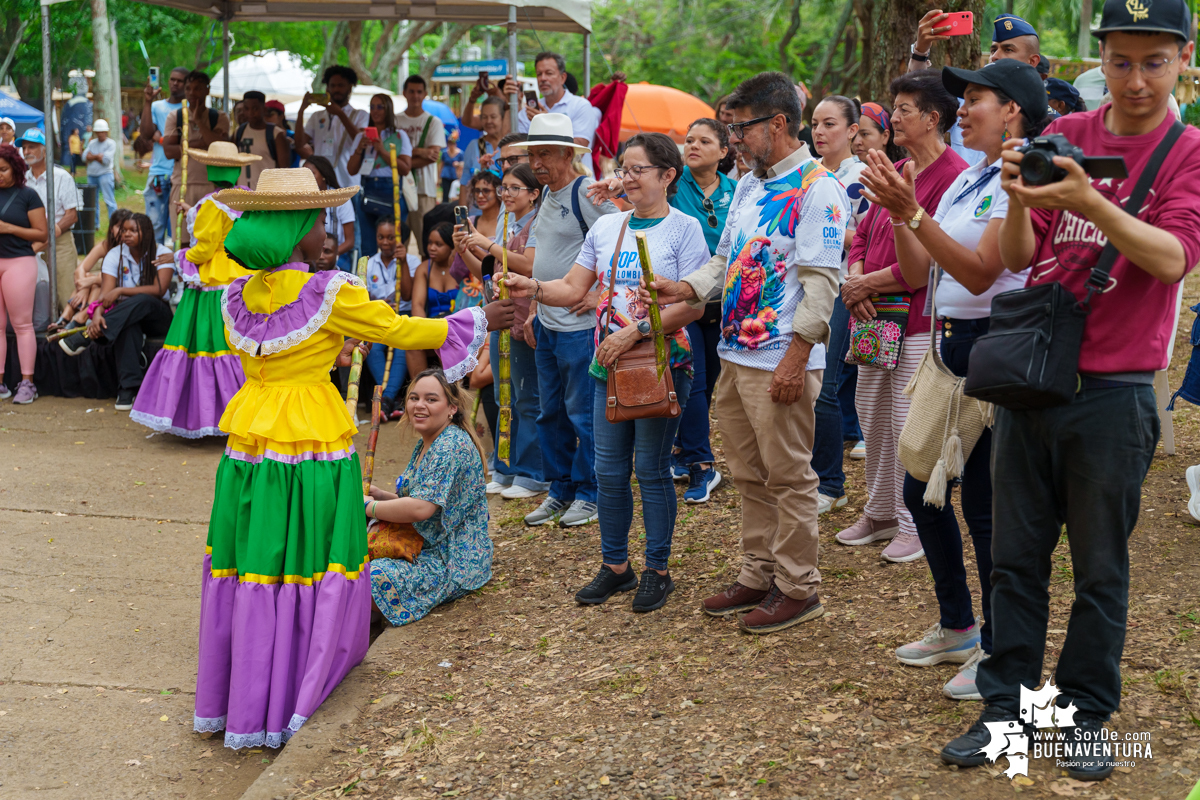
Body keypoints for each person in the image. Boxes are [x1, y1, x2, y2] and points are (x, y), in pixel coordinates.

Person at [941, 0, 1200, 779]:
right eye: (1121, 60)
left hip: (1117, 392)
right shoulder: (1070, 133)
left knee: (1099, 566)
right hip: (1035, 383)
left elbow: (1171, 259)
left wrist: (1089, 200)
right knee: (1015, 560)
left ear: (1182, 60)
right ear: (1102, 60)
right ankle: (1006, 713)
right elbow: (1021, 253)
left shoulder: (1187, 152)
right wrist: (1021, 198)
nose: (1135, 79)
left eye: (1154, 61)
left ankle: (1087, 713)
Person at [192, 166, 511, 750]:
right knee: (316, 557)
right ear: (293, 231)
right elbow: (398, 328)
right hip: (310, 443)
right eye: (318, 221)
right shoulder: (327, 290)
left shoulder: (235, 296)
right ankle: (298, 688)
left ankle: (245, 698)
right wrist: (477, 321)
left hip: (250, 446)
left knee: (254, 559)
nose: (328, 232)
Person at [860, 60, 1048, 701]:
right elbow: (921, 274)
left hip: (997, 348)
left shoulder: (1019, 179)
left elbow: (978, 273)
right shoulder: (971, 177)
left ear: (1013, 111)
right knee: (923, 493)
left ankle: (998, 648)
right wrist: (899, 212)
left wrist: (913, 212)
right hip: (950, 349)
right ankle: (958, 625)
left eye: (975, 99)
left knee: (986, 508)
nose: (962, 109)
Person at [643, 72, 850, 634]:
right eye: (729, 129)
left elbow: (821, 284)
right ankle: (757, 573)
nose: (732, 139)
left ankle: (799, 586)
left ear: (777, 124)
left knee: (789, 477)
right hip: (736, 356)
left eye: (740, 129)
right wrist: (683, 288)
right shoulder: (752, 184)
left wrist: (795, 356)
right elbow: (725, 260)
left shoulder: (818, 188)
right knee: (749, 475)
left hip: (782, 358)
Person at [506, 133, 707, 611]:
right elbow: (574, 287)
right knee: (609, 470)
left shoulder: (684, 229)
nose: (628, 177)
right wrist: (531, 285)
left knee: (651, 470)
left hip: (660, 362)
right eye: (625, 168)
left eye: (639, 169)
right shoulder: (608, 227)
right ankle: (616, 566)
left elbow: (692, 308)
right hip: (608, 364)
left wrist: (635, 330)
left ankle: (658, 569)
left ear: (667, 176)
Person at [836, 70, 966, 563]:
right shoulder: (897, 166)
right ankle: (882, 510)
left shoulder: (952, 175)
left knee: (909, 424)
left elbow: (929, 261)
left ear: (933, 119)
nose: (893, 115)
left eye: (905, 108)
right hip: (873, 316)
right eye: (894, 106)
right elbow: (865, 231)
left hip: (919, 320)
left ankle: (915, 522)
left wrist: (869, 282)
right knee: (872, 417)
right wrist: (854, 279)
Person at [515, 114, 618, 528]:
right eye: (532, 154)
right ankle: (560, 490)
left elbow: (621, 241)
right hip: (548, 321)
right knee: (549, 412)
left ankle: (591, 493)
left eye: (544, 153)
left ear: (566, 153)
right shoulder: (546, 196)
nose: (536, 162)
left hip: (579, 327)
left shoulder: (587, 193)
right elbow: (542, 260)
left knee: (581, 412)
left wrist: (597, 294)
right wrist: (536, 312)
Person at [130, 142, 258, 437]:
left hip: (213, 288)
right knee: (236, 351)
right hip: (244, 283)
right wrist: (195, 213)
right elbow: (228, 231)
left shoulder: (213, 205)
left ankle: (209, 417)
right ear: (238, 169)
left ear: (209, 170)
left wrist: (177, 256)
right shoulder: (249, 201)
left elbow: (203, 249)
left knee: (206, 348)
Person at [367, 369, 492, 626]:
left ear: (452, 409)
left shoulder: (450, 445)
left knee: (367, 576)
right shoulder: (429, 441)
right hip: (426, 546)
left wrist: (370, 506)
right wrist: (382, 496)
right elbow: (422, 500)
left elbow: (421, 509)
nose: (419, 405)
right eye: (414, 398)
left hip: (452, 561)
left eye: (431, 399)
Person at [464, 164, 549, 500]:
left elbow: (529, 265)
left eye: (516, 188)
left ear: (533, 194)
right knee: (504, 397)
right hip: (502, 317)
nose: (507, 195)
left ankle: (533, 472)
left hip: (525, 317)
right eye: (505, 188)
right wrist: (473, 249)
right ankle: (506, 467)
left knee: (527, 397)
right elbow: (493, 270)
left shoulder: (538, 223)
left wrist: (487, 243)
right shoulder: (509, 224)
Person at [807, 95, 872, 516]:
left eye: (829, 124)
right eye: (814, 123)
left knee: (824, 387)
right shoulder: (808, 175)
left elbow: (869, 233)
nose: (818, 132)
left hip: (843, 289)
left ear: (852, 130)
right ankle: (814, 476)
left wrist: (825, 228)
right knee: (813, 386)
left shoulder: (862, 174)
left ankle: (831, 484)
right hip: (807, 285)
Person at [667, 118, 736, 503]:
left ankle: (683, 447)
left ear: (724, 151)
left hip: (726, 303)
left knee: (708, 385)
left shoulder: (738, 191)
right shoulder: (674, 186)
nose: (692, 145)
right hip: (684, 300)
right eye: (688, 139)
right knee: (690, 382)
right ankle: (702, 465)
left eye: (704, 141)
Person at [59, 213, 174, 410]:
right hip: (125, 316)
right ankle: (127, 390)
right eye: (124, 230)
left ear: (145, 232)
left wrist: (121, 290)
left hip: (159, 316)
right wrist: (96, 315)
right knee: (129, 326)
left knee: (143, 299)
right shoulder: (115, 254)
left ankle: (86, 337)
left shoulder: (161, 252)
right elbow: (105, 294)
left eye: (133, 230)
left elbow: (158, 290)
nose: (127, 234)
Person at [910, 11, 1042, 166]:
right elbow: (917, 97)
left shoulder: (1048, 120)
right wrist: (920, 52)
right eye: (993, 50)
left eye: (1008, 50)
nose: (995, 56)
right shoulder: (961, 101)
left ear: (1032, 61)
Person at [0, 144, 47, 404]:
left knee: (22, 325)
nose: (0, 174)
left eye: (4, 169)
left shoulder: (28, 195)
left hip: (19, 262)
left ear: (15, 168)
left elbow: (42, 234)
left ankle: (27, 383)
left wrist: (8, 228)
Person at [162, 71, 231, 244]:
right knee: (183, 240)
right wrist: (200, 145)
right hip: (182, 185)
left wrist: (199, 121)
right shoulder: (175, 116)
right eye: (188, 89)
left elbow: (220, 148)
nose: (192, 93)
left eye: (198, 89)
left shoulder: (218, 117)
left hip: (212, 185)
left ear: (207, 90)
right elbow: (169, 151)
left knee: (211, 240)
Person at [509, 52, 601, 179]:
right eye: (539, 74)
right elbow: (521, 149)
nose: (543, 78)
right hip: (541, 184)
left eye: (549, 73)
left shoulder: (581, 106)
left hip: (577, 184)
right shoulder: (528, 111)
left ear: (563, 77)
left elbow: (578, 150)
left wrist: (545, 122)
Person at [19, 128, 79, 317]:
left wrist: (50, 235)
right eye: (25, 147)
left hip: (59, 243)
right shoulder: (21, 180)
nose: (27, 151)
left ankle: (70, 334)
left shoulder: (62, 177)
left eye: (32, 147)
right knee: (33, 298)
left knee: (66, 294)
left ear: (46, 150)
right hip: (30, 242)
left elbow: (71, 215)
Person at [364, 217, 420, 419]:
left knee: (401, 347)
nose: (385, 242)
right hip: (378, 316)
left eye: (391, 238)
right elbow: (364, 298)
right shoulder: (369, 264)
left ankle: (385, 399)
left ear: (401, 240)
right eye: (381, 237)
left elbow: (406, 295)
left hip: (403, 315)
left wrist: (402, 262)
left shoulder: (413, 262)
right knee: (373, 348)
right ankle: (392, 398)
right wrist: (380, 306)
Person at [347, 93, 412, 258]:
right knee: (367, 245)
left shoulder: (399, 135)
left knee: (392, 243)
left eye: (380, 107)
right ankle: (368, 281)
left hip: (391, 188)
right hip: (367, 188)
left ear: (388, 109)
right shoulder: (362, 135)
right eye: (372, 107)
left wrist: (382, 150)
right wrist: (359, 149)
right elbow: (351, 169)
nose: (375, 111)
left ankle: (393, 281)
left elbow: (405, 168)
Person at [53, 208, 133, 332]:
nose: (124, 232)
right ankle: (69, 316)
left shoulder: (133, 249)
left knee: (96, 281)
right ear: (112, 229)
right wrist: (83, 288)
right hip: (102, 290)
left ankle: (78, 318)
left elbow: (122, 279)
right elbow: (80, 269)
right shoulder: (106, 245)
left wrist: (91, 281)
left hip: (120, 293)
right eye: (119, 227)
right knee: (91, 278)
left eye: (128, 228)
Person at [396, 75, 447, 257]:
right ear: (404, 93)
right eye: (411, 91)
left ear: (425, 93)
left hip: (424, 190)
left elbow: (433, 156)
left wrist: (404, 160)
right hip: (398, 189)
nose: (415, 96)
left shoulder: (433, 122)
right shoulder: (395, 121)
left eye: (419, 92)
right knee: (398, 243)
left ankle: (425, 282)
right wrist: (420, 152)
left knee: (426, 243)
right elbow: (389, 156)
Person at [295, 66, 368, 193]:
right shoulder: (317, 116)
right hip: (321, 183)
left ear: (350, 87)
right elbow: (299, 144)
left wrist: (340, 114)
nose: (336, 90)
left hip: (348, 183)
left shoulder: (360, 114)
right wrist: (301, 111)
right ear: (327, 88)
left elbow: (360, 140)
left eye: (341, 85)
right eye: (332, 86)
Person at [138, 67, 186, 243]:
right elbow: (145, 133)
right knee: (153, 225)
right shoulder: (157, 107)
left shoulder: (189, 108)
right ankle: (154, 267)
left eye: (180, 80)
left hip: (181, 175)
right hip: (158, 173)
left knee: (178, 228)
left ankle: (175, 269)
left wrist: (162, 138)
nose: (175, 83)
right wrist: (147, 102)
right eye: (172, 79)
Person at [304, 156, 356, 272]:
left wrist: (328, 255)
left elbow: (350, 241)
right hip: (310, 257)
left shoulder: (341, 199)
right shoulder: (301, 200)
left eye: (311, 174)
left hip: (337, 254)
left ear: (323, 175)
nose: (306, 179)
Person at [234, 91, 292, 189]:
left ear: (264, 109)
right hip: (242, 193)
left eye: (255, 108)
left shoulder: (275, 134)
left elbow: (284, 169)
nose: (250, 113)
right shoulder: (239, 131)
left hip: (267, 193)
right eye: (246, 108)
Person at [461, 96, 506, 192]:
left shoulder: (509, 146)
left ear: (502, 118)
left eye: (493, 117)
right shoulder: (474, 146)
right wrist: (463, 207)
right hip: (478, 206)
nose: (489, 121)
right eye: (484, 117)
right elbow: (464, 183)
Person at [84, 119, 118, 217]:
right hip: (92, 175)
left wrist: (92, 157)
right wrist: (98, 156)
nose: (100, 134)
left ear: (106, 132)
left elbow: (106, 160)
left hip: (105, 174)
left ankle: (113, 223)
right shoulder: (92, 143)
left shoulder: (111, 143)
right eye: (98, 132)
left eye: (102, 132)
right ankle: (94, 225)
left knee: (109, 201)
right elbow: (84, 157)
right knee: (92, 202)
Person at [441, 129, 464, 203]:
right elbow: (441, 164)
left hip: (455, 175)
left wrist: (458, 164)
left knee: (455, 193)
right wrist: (439, 176)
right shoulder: (444, 153)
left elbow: (463, 164)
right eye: (449, 143)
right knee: (445, 193)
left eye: (453, 143)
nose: (451, 145)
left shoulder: (460, 153)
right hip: (446, 174)